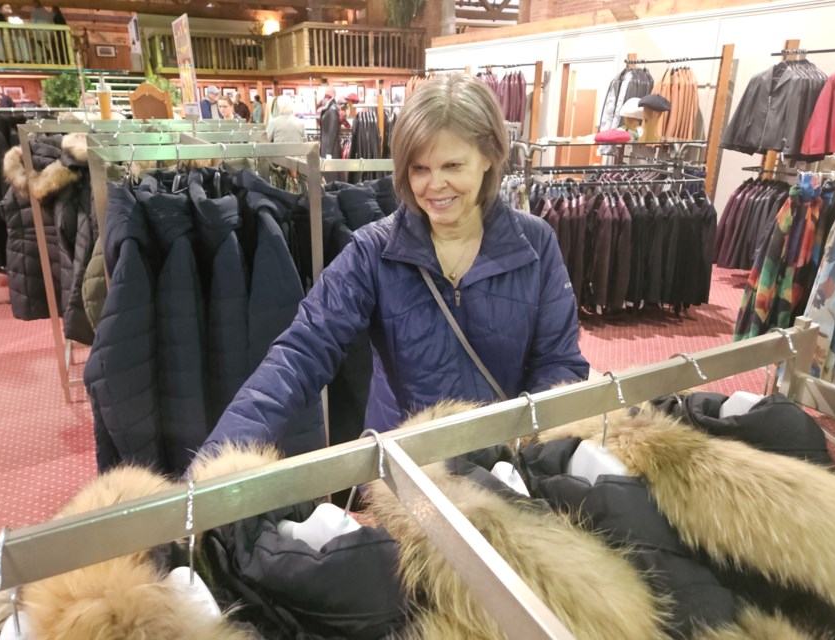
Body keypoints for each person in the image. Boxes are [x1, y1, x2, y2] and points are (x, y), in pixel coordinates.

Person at [205, 73, 588, 452]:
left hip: (506, 467)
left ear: (488, 156)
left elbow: (559, 363)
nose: (434, 185)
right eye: (419, 169)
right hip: (404, 476)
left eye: (452, 166)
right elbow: (303, 350)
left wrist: (529, 446)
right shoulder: (374, 250)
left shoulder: (535, 243)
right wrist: (221, 459)